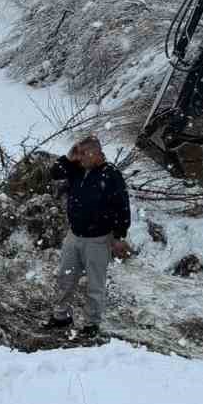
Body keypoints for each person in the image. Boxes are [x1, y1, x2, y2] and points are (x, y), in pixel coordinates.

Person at [43, 134, 131, 338]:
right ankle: (61, 316)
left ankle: (92, 324)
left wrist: (119, 236)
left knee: (94, 283)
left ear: (96, 153)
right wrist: (69, 157)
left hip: (99, 239)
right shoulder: (77, 169)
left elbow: (122, 206)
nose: (80, 157)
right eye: (79, 153)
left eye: (84, 153)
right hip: (74, 236)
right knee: (65, 278)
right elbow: (55, 172)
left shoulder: (111, 175)